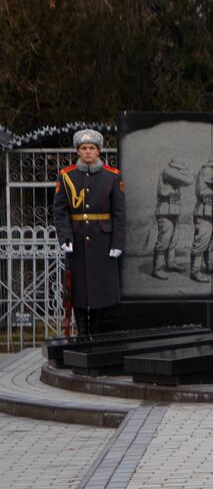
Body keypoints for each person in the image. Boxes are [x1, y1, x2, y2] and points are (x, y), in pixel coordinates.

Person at [53, 130, 125, 335]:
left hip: (103, 242)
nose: (87, 152)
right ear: (77, 151)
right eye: (83, 148)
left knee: (102, 292)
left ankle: (97, 333)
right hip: (77, 243)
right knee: (78, 293)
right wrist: (65, 237)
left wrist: (118, 243)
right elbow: (60, 211)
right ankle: (83, 335)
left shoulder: (112, 176)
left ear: (98, 151)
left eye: (91, 148)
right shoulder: (66, 176)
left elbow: (119, 213)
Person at [150, 157, 191, 280]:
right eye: (178, 168)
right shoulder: (168, 172)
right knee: (164, 240)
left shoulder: (173, 174)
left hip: (173, 211)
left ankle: (170, 263)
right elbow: (188, 180)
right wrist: (184, 172)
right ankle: (157, 269)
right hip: (164, 211)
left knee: (173, 239)